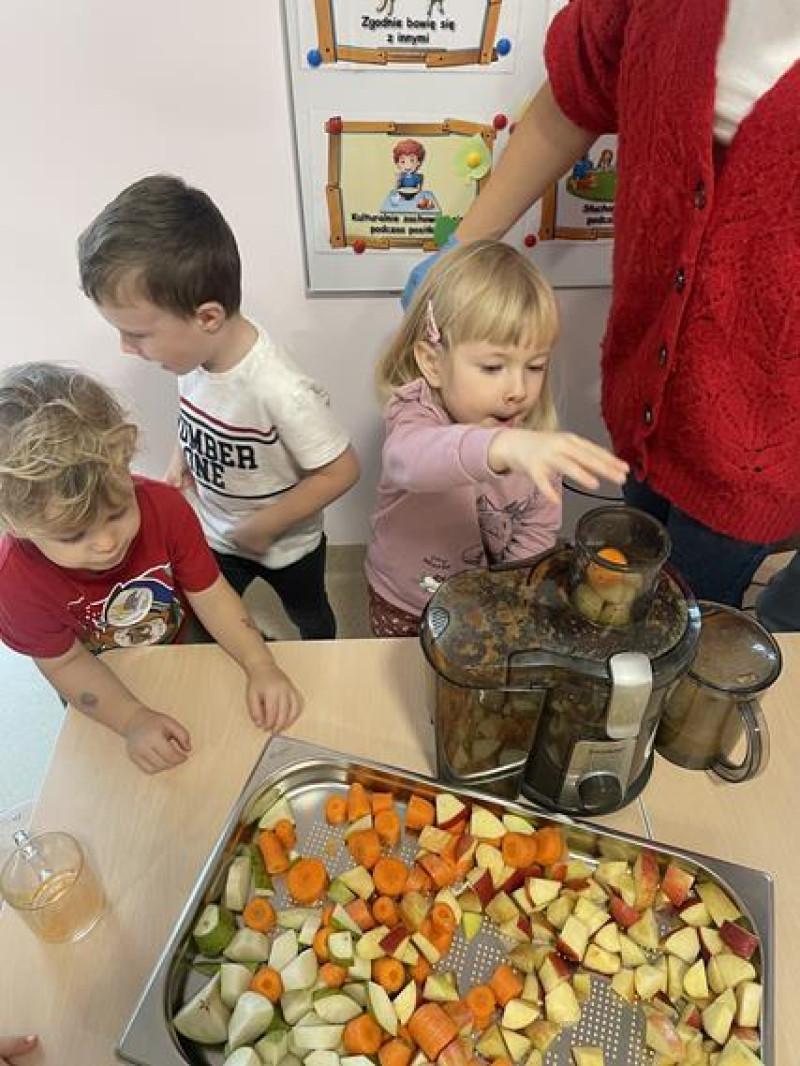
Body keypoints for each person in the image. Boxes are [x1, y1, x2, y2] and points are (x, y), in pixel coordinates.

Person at [403, 0, 800, 612]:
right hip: (647, 392)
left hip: (764, 435)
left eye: (532, 367)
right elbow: (578, 89)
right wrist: (463, 247)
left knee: (693, 611)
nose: (516, 388)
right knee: (631, 566)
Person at [78, 175, 359, 641]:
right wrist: (180, 458)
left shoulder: (279, 389)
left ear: (207, 317)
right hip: (215, 534)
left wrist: (267, 525)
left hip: (288, 546)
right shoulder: (192, 359)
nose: (126, 347)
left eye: (138, 334)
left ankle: (323, 653)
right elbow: (196, 413)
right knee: (209, 619)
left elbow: (342, 470)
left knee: (309, 614)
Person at [0, 363, 302, 774]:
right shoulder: (14, 581)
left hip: (177, 647)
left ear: (125, 459)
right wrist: (131, 721)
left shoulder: (165, 508)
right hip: (96, 678)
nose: (106, 544)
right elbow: (64, 664)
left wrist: (259, 664)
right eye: (72, 537)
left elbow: (211, 594)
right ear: (17, 526)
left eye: (118, 513)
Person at [366, 240, 628, 635]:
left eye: (535, 366)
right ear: (433, 363)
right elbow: (408, 461)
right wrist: (501, 447)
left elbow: (535, 532)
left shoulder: (533, 444)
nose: (518, 390)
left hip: (481, 599)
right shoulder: (415, 413)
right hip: (404, 600)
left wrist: (512, 593)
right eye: (492, 368)